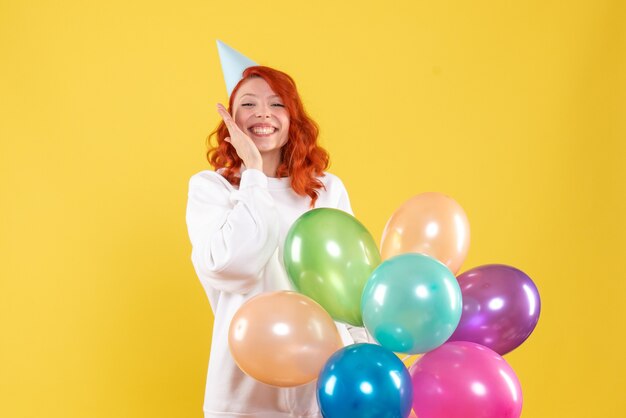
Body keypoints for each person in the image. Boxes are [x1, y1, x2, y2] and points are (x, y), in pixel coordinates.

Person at [186, 43, 367, 418]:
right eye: (248, 104)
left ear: (293, 117)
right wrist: (253, 172)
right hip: (242, 391)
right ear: (231, 119)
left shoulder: (326, 189)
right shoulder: (213, 188)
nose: (263, 113)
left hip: (320, 388)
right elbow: (232, 267)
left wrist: (369, 357)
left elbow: (352, 283)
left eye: (277, 103)